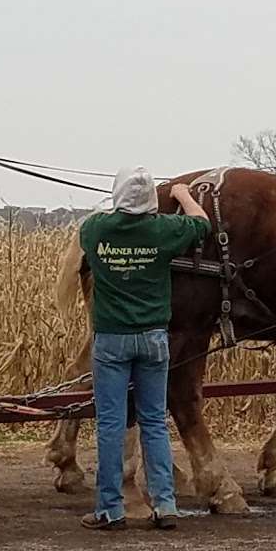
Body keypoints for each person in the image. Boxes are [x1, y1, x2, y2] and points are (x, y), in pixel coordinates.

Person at [78, 167, 211, 531]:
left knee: (110, 423)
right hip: (154, 339)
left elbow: (98, 222)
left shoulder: (94, 230)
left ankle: (110, 509)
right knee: (154, 421)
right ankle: (165, 504)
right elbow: (202, 223)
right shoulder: (164, 231)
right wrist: (183, 195)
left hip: (110, 340)